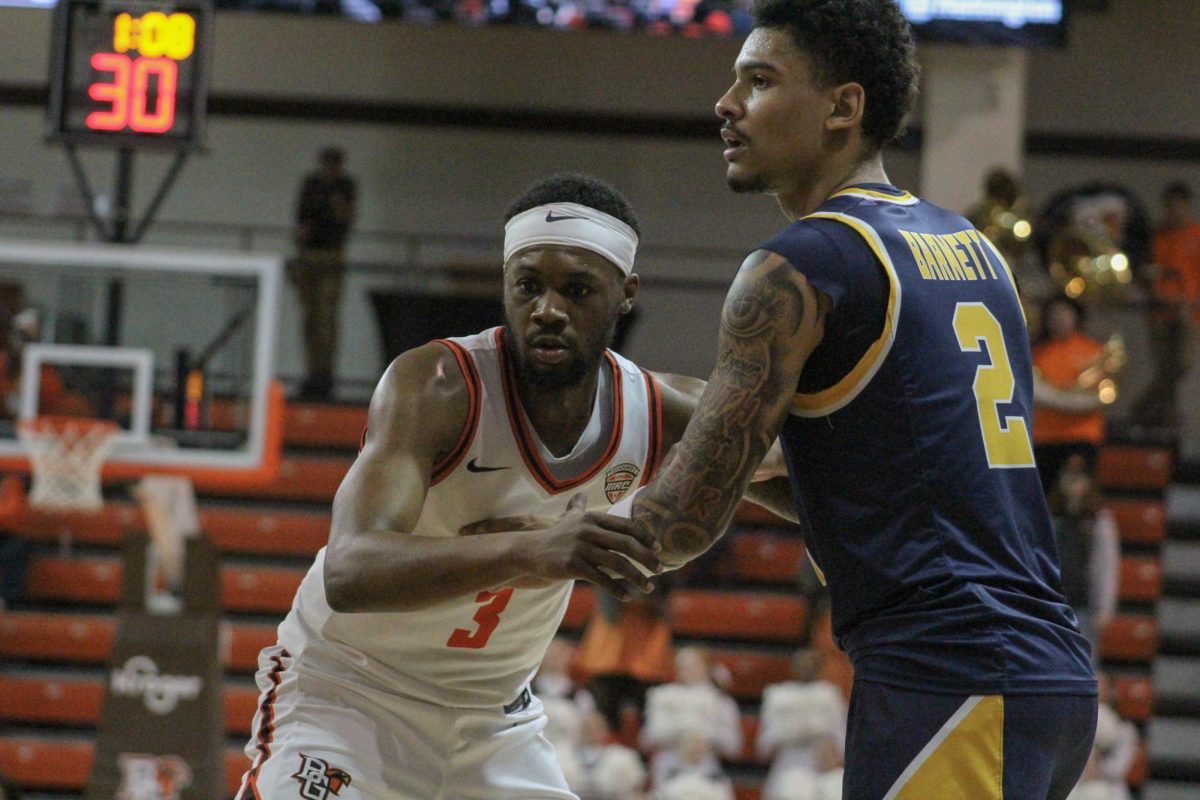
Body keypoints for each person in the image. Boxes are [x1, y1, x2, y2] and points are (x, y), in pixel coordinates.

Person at [607, 2, 1098, 798]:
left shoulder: (801, 264)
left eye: (759, 81)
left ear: (843, 106)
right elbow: (909, 492)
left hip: (948, 673)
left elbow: (677, 527)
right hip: (1043, 678)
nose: (726, 104)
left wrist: (530, 535)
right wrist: (677, 414)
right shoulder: (973, 249)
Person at [236, 172, 784, 799]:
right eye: (528, 286)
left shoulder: (662, 410)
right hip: (351, 692)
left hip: (494, 719)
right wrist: (534, 551)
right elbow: (351, 569)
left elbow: (814, 486)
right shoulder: (438, 384)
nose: (547, 309)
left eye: (577, 290)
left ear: (625, 293)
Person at [1133, 181, 1200, 445]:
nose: (1174, 211)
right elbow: (1147, 272)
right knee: (1163, 365)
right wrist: (1154, 291)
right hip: (1159, 313)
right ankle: (1168, 415)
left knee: (1181, 363)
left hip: (1188, 313)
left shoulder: (1196, 234)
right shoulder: (1157, 236)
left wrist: (1190, 302)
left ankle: (1142, 408)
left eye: (1178, 206)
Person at [290, 146, 357, 400]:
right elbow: (302, 223)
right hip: (309, 254)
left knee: (326, 318)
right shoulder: (311, 185)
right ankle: (311, 372)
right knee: (309, 318)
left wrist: (336, 203)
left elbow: (347, 219)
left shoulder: (345, 187)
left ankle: (324, 375)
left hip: (331, 254)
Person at [1030, 294, 1110, 490]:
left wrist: (1055, 398)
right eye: (1054, 314)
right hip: (1044, 436)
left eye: (1065, 313)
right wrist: (1067, 397)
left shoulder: (1093, 351)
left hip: (1080, 436)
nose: (1059, 318)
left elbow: (1100, 394)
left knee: (1077, 494)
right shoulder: (1036, 353)